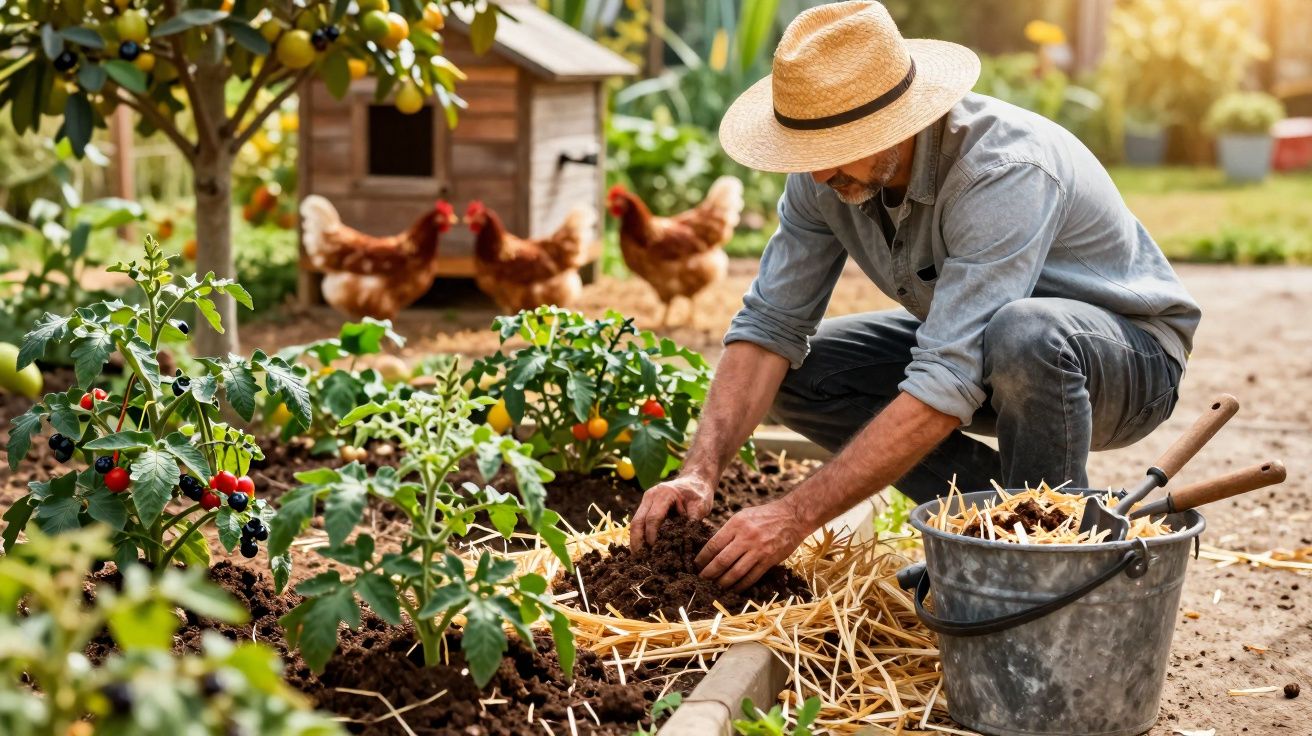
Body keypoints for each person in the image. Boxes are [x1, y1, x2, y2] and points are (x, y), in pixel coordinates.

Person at [629, 1, 1201, 591]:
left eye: (833, 149)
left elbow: (946, 379)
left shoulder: (1001, 169)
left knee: (1025, 333)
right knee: (805, 375)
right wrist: (699, 471)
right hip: (986, 351)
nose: (817, 175)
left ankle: (1042, 571)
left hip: (1123, 363)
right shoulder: (823, 176)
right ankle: (1001, 525)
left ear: (895, 123)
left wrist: (794, 516)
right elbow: (769, 326)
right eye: (806, 153)